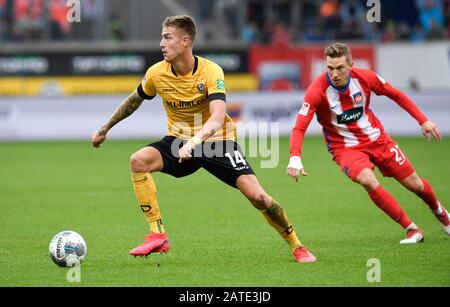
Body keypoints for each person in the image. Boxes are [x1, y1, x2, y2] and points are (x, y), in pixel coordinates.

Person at [91, 15, 316, 263]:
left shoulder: (211, 71)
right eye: (162, 37)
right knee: (138, 161)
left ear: (185, 41)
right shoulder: (156, 73)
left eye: (167, 37)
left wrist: (194, 142)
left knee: (258, 197)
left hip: (217, 142)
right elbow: (134, 100)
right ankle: (157, 234)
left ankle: (297, 246)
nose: (161, 44)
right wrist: (105, 128)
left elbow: (218, 117)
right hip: (179, 142)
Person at [287, 42, 450, 244]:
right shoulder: (317, 90)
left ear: (351, 65)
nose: (334, 74)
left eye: (340, 68)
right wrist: (295, 156)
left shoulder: (365, 77)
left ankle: (442, 214)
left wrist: (423, 120)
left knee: (415, 184)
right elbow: (299, 126)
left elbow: (396, 95)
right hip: (345, 148)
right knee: (368, 180)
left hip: (378, 139)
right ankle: (411, 229)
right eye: (329, 68)